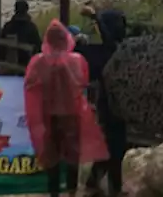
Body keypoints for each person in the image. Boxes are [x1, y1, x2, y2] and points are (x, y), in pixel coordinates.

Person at [24, 21, 108, 197]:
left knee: (51, 158)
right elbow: (82, 81)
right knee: (72, 157)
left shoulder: (38, 62)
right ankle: (71, 192)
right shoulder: (76, 60)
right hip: (71, 114)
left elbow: (30, 84)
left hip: (48, 115)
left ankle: (54, 193)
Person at [81, 7, 129, 197]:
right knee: (116, 146)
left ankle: (94, 182)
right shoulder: (110, 50)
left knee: (112, 145)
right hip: (111, 103)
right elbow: (108, 38)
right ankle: (113, 188)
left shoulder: (112, 49)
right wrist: (96, 18)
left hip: (114, 102)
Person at [1, 0, 43, 67]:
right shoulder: (31, 27)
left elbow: (1, 47)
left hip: (9, 64)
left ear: (15, 10)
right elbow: (38, 47)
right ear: (26, 10)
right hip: (27, 63)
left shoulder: (8, 26)